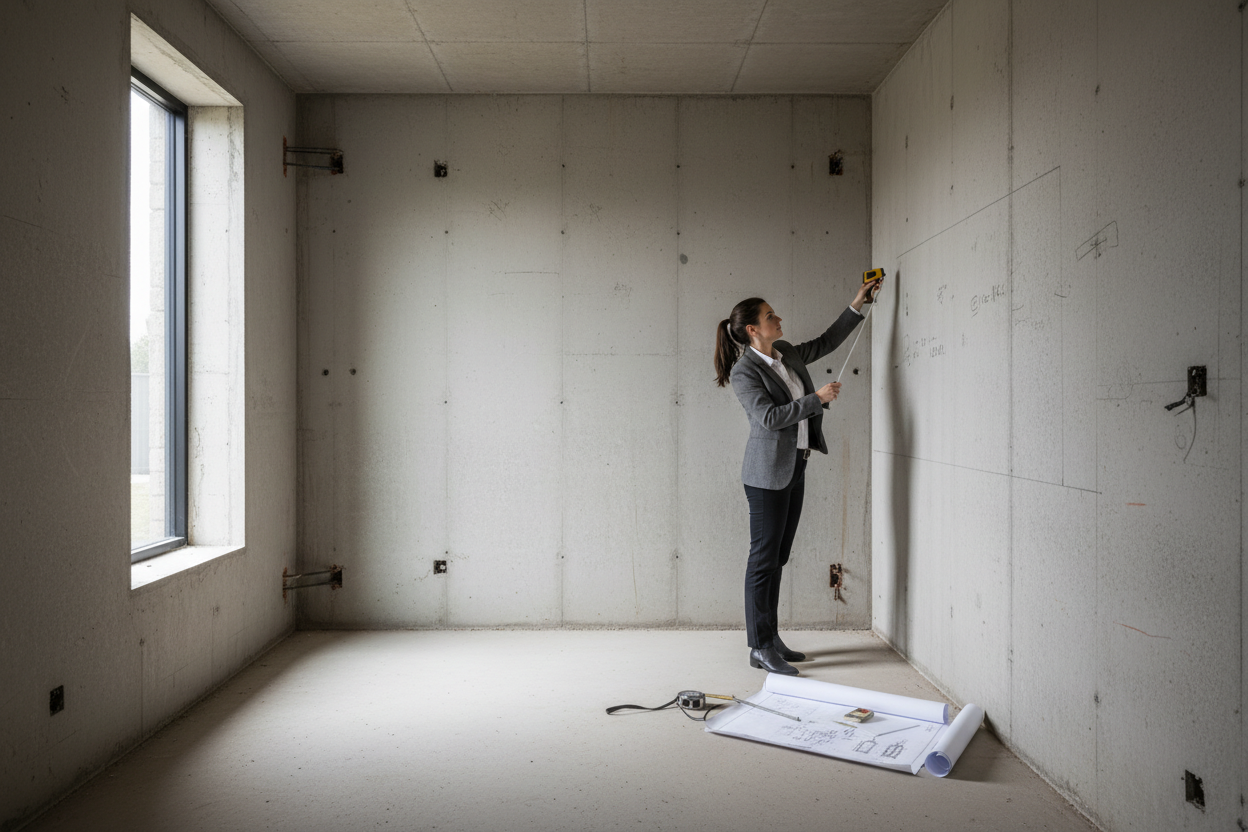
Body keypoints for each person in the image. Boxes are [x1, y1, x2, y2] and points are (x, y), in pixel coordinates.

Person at [713, 277, 882, 675]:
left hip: (796, 465)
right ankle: (758, 646)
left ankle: (770, 639)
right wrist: (815, 399)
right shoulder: (744, 372)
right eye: (771, 316)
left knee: (779, 556)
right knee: (763, 560)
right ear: (753, 329)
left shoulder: (786, 352)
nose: (779, 318)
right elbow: (769, 419)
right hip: (766, 475)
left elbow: (824, 343)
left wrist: (857, 304)